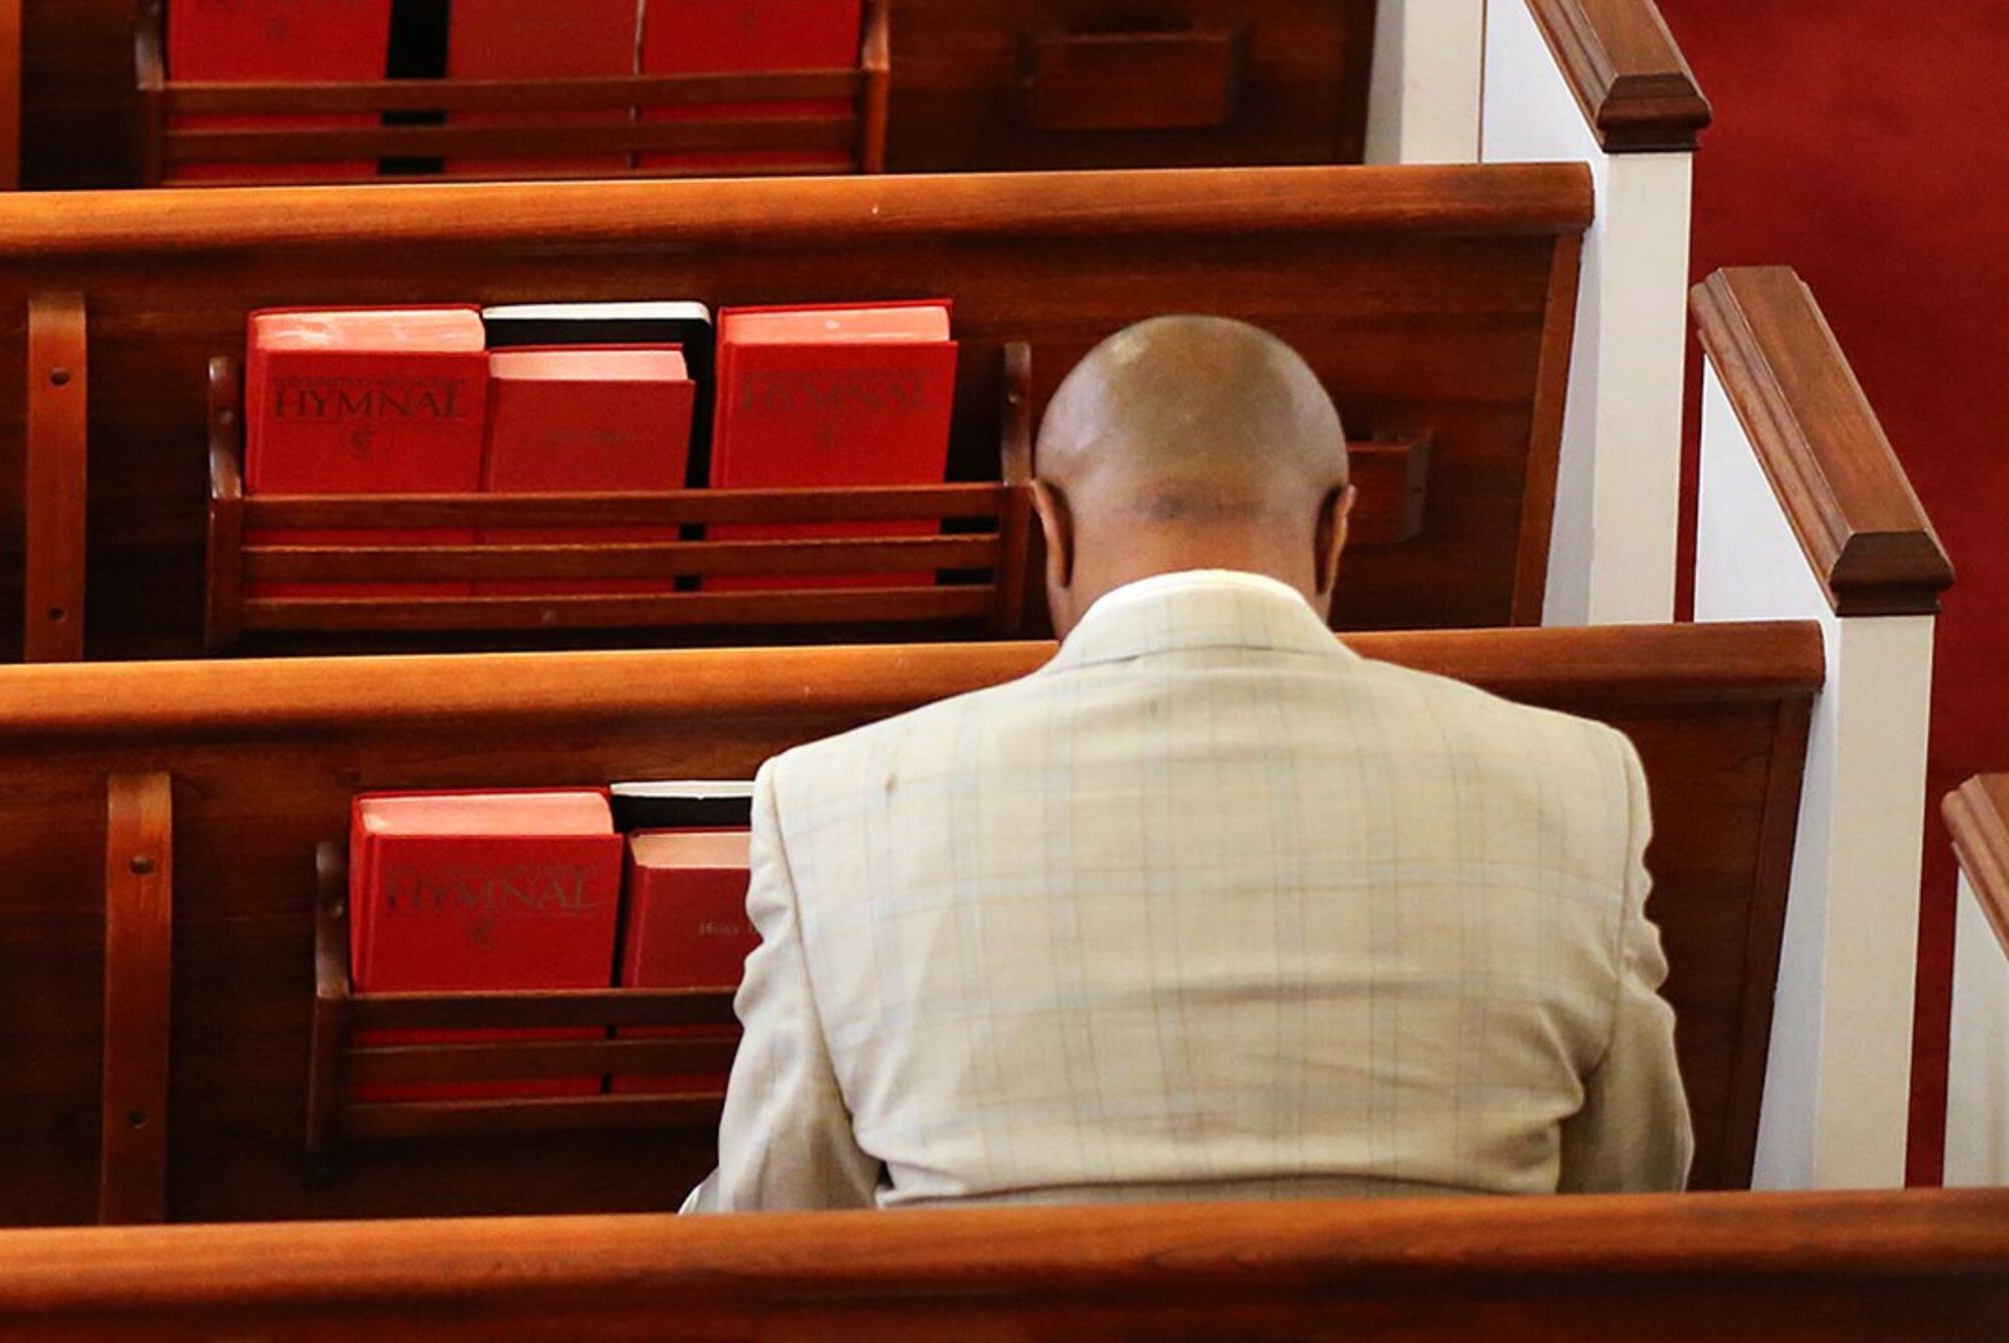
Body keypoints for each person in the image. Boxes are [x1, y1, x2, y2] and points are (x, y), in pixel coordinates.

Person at [689, 314, 1691, 1211]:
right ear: (1339, 527)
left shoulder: (831, 806)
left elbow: (779, 1231)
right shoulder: (1580, 785)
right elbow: (1631, 1202)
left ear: (1049, 525)